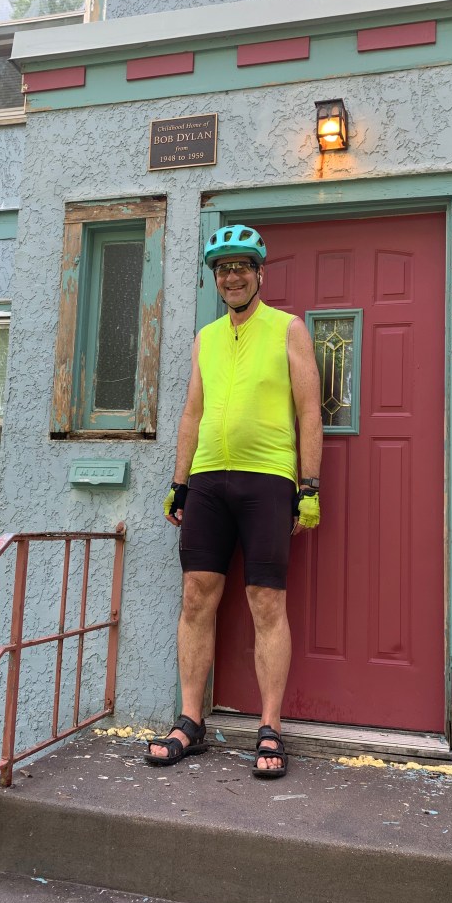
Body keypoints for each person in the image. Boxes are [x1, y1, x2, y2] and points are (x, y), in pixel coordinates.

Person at [146, 224, 323, 779]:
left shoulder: (288, 329)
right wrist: (179, 482)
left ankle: (270, 727)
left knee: (265, 601)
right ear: (216, 279)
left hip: (267, 479)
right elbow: (192, 413)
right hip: (207, 481)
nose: (232, 277)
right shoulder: (206, 338)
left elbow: (309, 410)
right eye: (223, 269)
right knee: (196, 597)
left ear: (259, 273)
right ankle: (190, 721)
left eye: (242, 266)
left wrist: (309, 486)